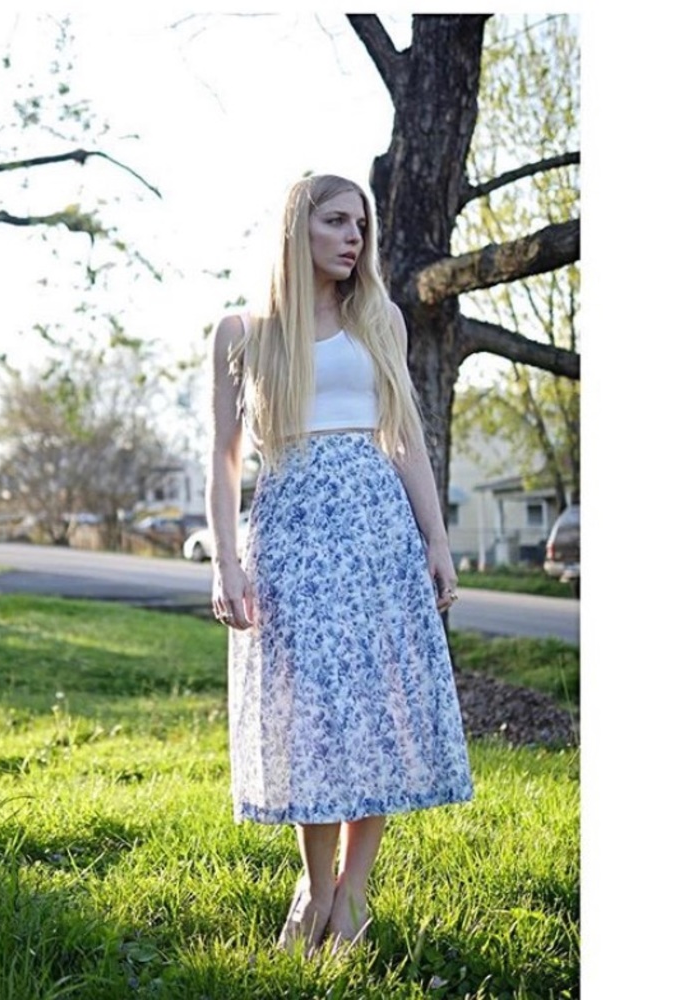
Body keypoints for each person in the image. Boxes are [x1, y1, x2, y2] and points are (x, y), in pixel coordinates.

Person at [205, 174, 474, 958]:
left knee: (375, 705)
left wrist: (436, 540)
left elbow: (406, 438)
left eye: (361, 224)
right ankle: (314, 886)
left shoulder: (381, 318)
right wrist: (225, 564)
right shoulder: (242, 331)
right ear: (299, 229)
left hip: (377, 535)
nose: (354, 237)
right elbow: (222, 458)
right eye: (336, 221)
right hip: (291, 538)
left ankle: (352, 892)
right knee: (312, 714)